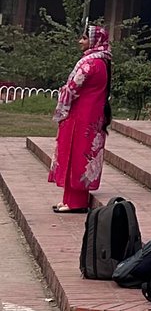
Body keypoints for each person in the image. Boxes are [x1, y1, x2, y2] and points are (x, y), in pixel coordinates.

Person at [50, 24, 110, 214]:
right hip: (89, 117)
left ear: (94, 41)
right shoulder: (101, 62)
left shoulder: (91, 64)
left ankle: (76, 202)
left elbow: (73, 88)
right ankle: (68, 199)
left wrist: (63, 93)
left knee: (76, 157)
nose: (80, 41)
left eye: (84, 38)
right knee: (76, 156)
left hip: (81, 118)